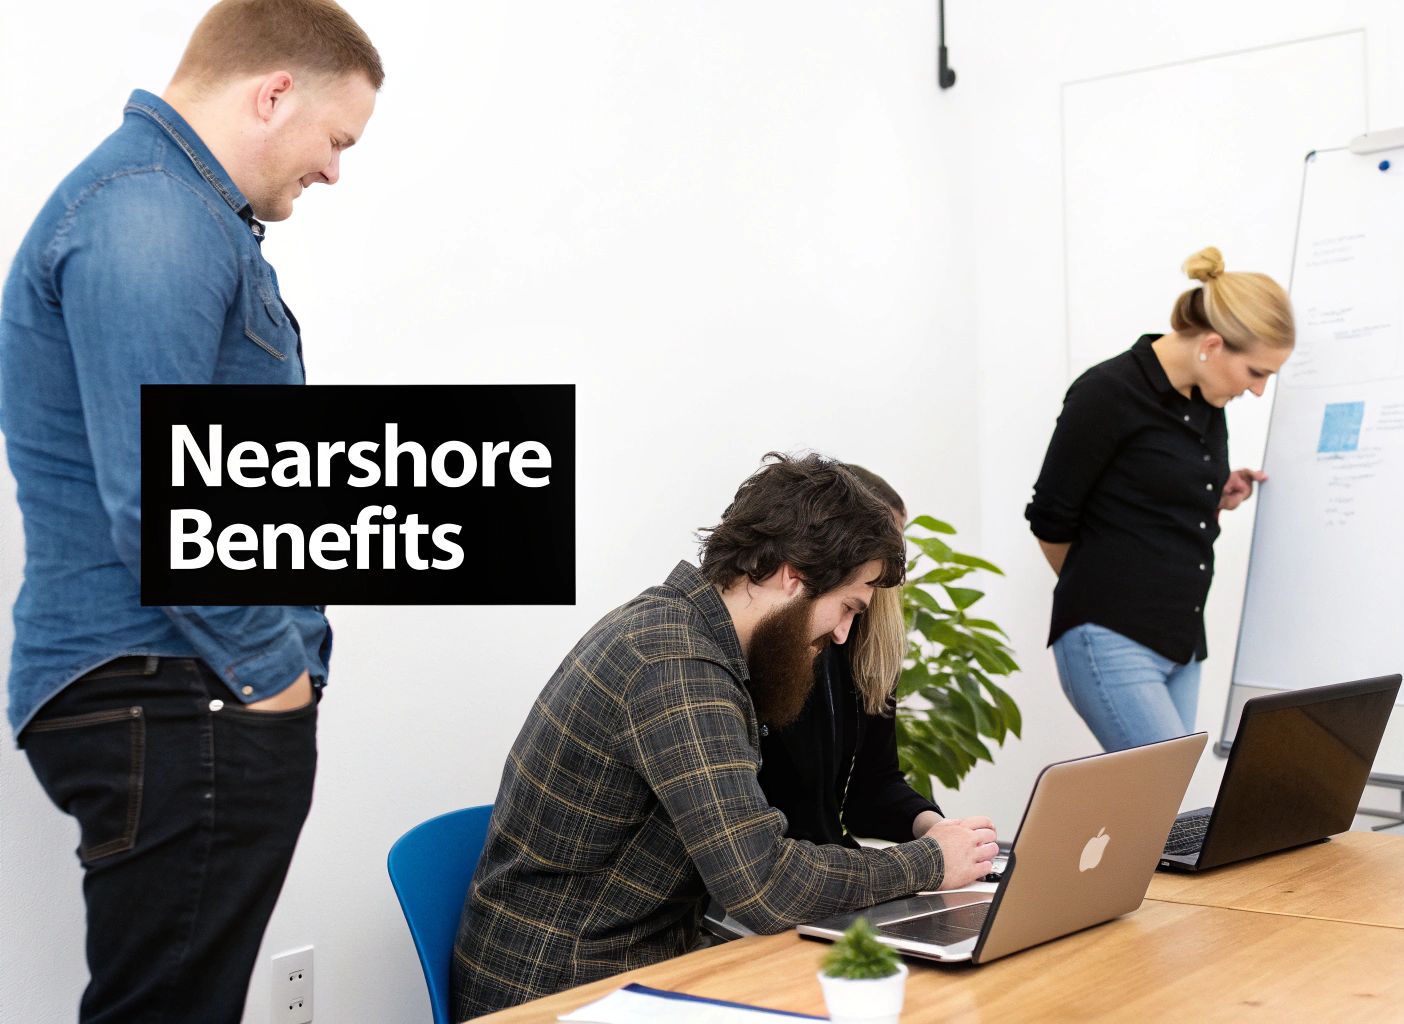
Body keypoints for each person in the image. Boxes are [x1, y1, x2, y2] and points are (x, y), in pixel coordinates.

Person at [0, 2, 381, 1019]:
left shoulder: (167, 209)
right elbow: (161, 495)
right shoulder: (150, 213)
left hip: (182, 691)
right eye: (335, 140)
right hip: (176, 692)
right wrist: (273, 682)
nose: (334, 170)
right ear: (273, 93)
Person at [451, 453, 997, 1020]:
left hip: (644, 959)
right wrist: (930, 862)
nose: (842, 634)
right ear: (794, 576)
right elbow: (764, 887)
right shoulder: (675, 664)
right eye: (847, 608)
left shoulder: (690, 636)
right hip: (558, 989)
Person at [1025, 246, 1295, 751]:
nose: (1258, 390)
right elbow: (1049, 519)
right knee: (1165, 803)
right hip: (1112, 633)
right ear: (1212, 345)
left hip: (1182, 639)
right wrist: (1111, 594)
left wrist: (1214, 492)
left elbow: (1148, 500)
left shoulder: (1207, 399)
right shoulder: (1107, 392)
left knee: (1152, 811)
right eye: (1256, 373)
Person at [755, 465, 971, 848]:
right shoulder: (768, 645)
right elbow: (754, 861)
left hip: (825, 872)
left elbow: (873, 789)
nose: (891, 572)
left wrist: (935, 830)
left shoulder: (863, 647)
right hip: (787, 879)